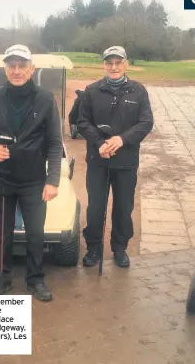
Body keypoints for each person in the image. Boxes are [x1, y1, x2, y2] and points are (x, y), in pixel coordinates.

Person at [0, 44, 63, 301]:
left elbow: (55, 143)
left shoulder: (45, 99)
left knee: (35, 233)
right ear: (5, 69)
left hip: (34, 180)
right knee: (2, 233)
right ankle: (2, 277)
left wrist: (53, 180)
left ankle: (35, 279)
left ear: (31, 68)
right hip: (1, 178)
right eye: (11, 66)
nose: (16, 71)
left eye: (21, 65)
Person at [77, 46, 154, 268]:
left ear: (125, 64)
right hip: (98, 160)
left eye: (118, 62)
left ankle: (119, 248)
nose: (114, 67)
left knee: (123, 208)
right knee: (95, 208)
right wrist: (100, 143)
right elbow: (82, 122)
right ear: (104, 65)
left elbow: (146, 122)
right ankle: (93, 248)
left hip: (126, 161)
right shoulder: (91, 91)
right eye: (109, 63)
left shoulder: (138, 91)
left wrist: (122, 139)